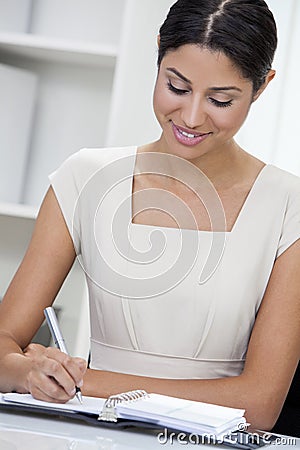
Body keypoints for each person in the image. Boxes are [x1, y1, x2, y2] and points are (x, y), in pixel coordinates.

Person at [0, 0, 299, 433]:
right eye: (177, 87)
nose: (192, 117)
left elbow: (257, 407)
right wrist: (26, 373)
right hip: (84, 438)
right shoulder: (86, 177)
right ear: (158, 53)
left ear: (262, 86)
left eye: (220, 99)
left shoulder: (288, 205)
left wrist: (81, 381)